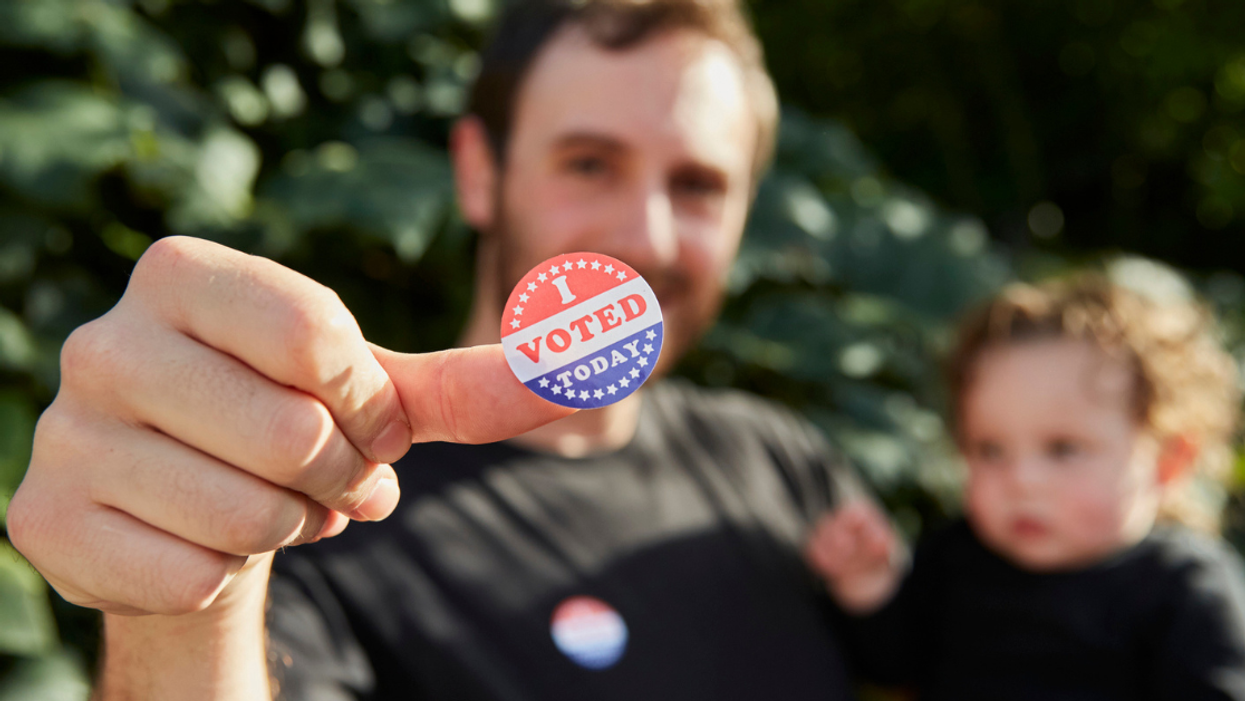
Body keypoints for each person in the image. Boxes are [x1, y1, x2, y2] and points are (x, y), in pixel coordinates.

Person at [8, 0, 864, 698]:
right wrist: (188, 609)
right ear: (477, 172)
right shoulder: (326, 490)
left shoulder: (781, 463)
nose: (646, 235)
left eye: (698, 184)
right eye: (589, 164)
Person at [806, 274, 1245, 700]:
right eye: (990, 450)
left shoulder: (1186, 592)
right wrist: (867, 589)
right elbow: (889, 664)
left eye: (1063, 448)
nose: (1021, 481)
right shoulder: (956, 558)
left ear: (1170, 461)